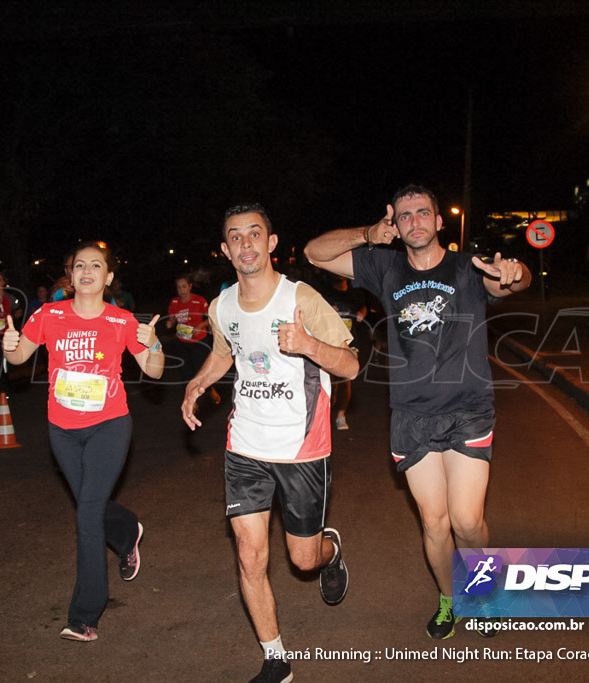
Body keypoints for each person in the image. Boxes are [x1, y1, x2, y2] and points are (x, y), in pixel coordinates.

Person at [304, 184, 531, 640]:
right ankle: (449, 600)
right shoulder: (384, 265)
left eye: (422, 213)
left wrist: (514, 270)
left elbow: (513, 280)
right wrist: (370, 232)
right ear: (396, 221)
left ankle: (482, 594)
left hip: (467, 409)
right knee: (434, 521)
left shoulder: (466, 266)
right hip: (411, 414)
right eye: (405, 216)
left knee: (467, 520)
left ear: (438, 220)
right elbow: (315, 252)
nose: (414, 221)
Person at [182, 203, 358, 683]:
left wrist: (308, 345)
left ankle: (329, 550)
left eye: (254, 234)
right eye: (235, 237)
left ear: (272, 243)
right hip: (245, 446)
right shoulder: (221, 307)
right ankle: (275, 658)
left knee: (302, 560)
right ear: (225, 250)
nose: (246, 244)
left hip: (302, 449)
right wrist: (197, 383)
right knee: (249, 554)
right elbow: (224, 354)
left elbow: (350, 366)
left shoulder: (302, 298)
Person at [2, 241, 164, 643]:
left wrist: (154, 343)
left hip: (109, 425)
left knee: (87, 515)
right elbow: (22, 357)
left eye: (96, 266)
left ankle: (84, 615)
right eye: (79, 266)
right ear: (70, 275)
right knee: (91, 506)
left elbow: (155, 371)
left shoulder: (122, 320)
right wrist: (10, 347)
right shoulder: (49, 314)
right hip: (62, 428)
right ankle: (127, 531)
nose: (87, 271)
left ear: (108, 278)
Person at [320, 274, 369, 430]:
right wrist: (328, 311)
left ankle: (340, 415)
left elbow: (363, 307)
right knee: (328, 379)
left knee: (345, 381)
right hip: (329, 341)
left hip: (350, 343)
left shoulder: (355, 293)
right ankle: (325, 413)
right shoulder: (326, 292)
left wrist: (362, 313)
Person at [166, 273, 220, 404]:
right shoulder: (174, 302)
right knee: (186, 372)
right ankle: (191, 400)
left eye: (184, 287)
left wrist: (201, 325)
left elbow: (210, 318)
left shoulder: (199, 301)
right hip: (182, 342)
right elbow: (172, 317)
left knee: (200, 369)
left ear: (190, 286)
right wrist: (170, 322)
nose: (181, 290)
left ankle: (209, 389)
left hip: (199, 342)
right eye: (179, 288)